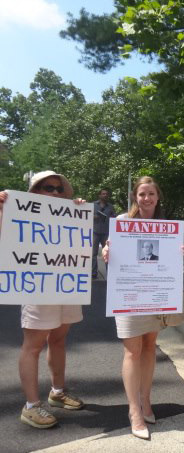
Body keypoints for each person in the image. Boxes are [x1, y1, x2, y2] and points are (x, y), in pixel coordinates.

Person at [1, 171, 86, 429]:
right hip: (37, 287)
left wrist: (79, 212)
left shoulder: (69, 213)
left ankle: (57, 392)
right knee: (33, 346)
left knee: (58, 339)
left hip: (66, 285)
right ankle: (30, 406)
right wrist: (3, 210)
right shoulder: (15, 212)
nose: (56, 193)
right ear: (35, 191)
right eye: (49, 188)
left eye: (59, 189)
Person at [103, 176, 178, 440]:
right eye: (142, 194)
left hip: (154, 295)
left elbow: (167, 260)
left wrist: (177, 252)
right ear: (135, 197)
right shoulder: (123, 222)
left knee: (149, 346)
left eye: (151, 194)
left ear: (158, 197)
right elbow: (110, 251)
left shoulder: (166, 226)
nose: (146, 198)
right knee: (132, 351)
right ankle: (134, 411)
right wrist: (106, 251)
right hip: (129, 295)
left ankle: (146, 401)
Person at [92, 188, 116, 278]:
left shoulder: (110, 206)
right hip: (95, 232)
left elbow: (114, 218)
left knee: (108, 254)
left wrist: (111, 217)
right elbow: (87, 215)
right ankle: (93, 273)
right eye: (103, 194)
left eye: (106, 194)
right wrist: (95, 217)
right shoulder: (93, 205)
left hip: (106, 233)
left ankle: (109, 274)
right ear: (99, 195)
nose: (105, 195)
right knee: (93, 253)